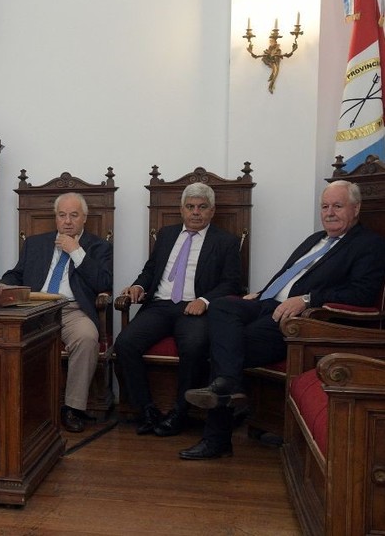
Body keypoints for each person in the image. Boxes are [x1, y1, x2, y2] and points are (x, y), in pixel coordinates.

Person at [180, 180, 385, 460]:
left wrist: (307, 300)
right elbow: (288, 275)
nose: (329, 212)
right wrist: (262, 293)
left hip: (301, 318)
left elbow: (362, 294)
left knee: (225, 347)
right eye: (324, 206)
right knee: (221, 307)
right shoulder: (315, 240)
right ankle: (231, 386)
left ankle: (217, 436)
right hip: (267, 302)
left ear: (356, 208)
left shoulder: (369, 245)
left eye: (337, 206)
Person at [114, 183, 242, 438]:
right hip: (160, 305)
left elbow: (232, 282)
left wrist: (204, 300)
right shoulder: (166, 234)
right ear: (181, 209)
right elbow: (151, 269)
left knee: (194, 347)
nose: (196, 212)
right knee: (125, 343)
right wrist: (139, 285)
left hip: (194, 308)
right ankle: (146, 410)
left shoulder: (226, 241)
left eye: (202, 207)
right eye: (190, 207)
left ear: (212, 211)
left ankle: (180, 412)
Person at [0, 192, 113, 433]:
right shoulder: (36, 243)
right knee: (6, 338)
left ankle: (72, 408)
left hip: (71, 309)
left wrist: (76, 251)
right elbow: (17, 274)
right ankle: (14, 406)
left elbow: (103, 282)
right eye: (62, 215)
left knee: (87, 338)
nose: (67, 221)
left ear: (84, 218)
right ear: (56, 218)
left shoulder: (98, 246)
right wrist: (2, 284)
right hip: (34, 308)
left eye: (74, 215)